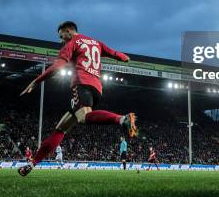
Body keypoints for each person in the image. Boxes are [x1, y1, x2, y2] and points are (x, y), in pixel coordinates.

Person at [18, 21, 137, 177]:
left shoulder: (72, 43)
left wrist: (36, 81)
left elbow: (57, 66)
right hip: (97, 89)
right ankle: (32, 164)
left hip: (81, 84)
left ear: (69, 31)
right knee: (60, 129)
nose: (62, 40)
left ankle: (122, 119)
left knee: (83, 117)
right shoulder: (96, 43)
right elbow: (116, 54)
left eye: (62, 36)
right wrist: (125, 58)